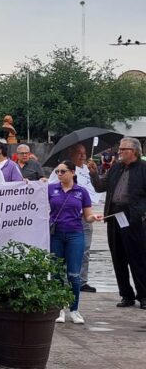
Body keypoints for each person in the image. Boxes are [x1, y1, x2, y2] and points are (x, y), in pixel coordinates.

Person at [89, 137, 146, 309]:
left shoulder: (143, 169)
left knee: (138, 258)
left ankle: (143, 295)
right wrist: (93, 173)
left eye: (123, 149)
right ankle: (126, 295)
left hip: (134, 218)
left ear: (134, 151)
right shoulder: (116, 168)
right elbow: (100, 187)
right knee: (118, 257)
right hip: (114, 216)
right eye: (120, 149)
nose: (119, 152)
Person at [49, 161, 99, 324]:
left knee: (74, 274)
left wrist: (94, 218)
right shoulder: (51, 189)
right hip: (56, 234)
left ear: (72, 173)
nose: (60, 174)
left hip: (75, 234)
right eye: (58, 171)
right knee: (56, 272)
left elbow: (87, 215)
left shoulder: (81, 192)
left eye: (63, 171)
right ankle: (59, 308)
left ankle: (74, 309)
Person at [49, 143, 102, 293]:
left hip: (84, 216)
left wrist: (94, 173)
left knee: (84, 249)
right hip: (63, 220)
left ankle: (82, 280)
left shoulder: (87, 170)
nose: (83, 156)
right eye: (79, 153)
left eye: (84, 153)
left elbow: (98, 187)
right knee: (62, 253)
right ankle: (63, 281)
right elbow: (49, 189)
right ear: (71, 153)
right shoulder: (61, 170)